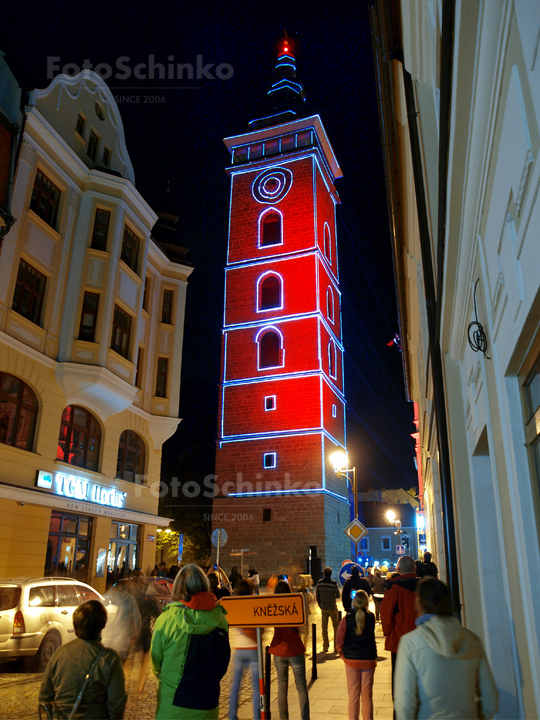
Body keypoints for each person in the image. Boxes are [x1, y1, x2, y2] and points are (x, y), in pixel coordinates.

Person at [394, 578, 498, 719]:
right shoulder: (472, 640)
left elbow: (404, 703)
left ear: (419, 603)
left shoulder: (410, 643)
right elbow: (490, 698)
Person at [151, 563, 230, 719]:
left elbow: (156, 661)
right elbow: (223, 661)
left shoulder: (166, 620)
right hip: (207, 705)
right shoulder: (220, 620)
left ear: (178, 587)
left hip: (172, 706)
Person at [39, 600, 127, 719]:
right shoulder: (110, 659)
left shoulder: (59, 655)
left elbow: (45, 697)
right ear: (102, 625)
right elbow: (116, 702)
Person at [380, 555, 418, 709]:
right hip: (422, 640)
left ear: (398, 569)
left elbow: (386, 611)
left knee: (400, 685)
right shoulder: (424, 585)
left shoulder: (394, 587)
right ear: (414, 568)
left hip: (400, 641)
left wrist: (388, 631)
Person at [269, 580, 310, 720]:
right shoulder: (295, 604)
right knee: (301, 688)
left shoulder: (272, 606)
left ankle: (283, 718)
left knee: (282, 688)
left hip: (278, 649)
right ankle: (305, 718)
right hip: (294, 648)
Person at [336, 590, 377, 720]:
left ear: (354, 602)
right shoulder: (371, 618)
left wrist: (343, 655)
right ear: (366, 602)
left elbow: (339, 640)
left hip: (351, 660)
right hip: (368, 659)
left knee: (353, 696)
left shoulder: (346, 619)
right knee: (367, 696)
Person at [228, 579, 260, 720]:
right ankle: (258, 716)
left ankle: (232, 715)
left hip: (239, 648)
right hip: (253, 648)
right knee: (257, 688)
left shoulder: (234, 605)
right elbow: (260, 628)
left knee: (236, 685)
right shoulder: (254, 604)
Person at [102, 582, 142, 665]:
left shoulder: (105, 598)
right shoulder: (130, 599)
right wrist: (136, 634)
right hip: (123, 639)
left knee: (107, 664)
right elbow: (137, 619)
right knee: (121, 663)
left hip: (108, 638)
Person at [316, 566, 340, 653]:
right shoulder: (333, 584)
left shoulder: (319, 583)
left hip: (324, 607)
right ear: (331, 574)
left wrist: (320, 604)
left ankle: (325, 646)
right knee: (336, 627)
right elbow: (337, 595)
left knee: (324, 627)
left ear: (324, 574)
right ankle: (336, 647)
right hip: (332, 607)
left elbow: (317, 596)